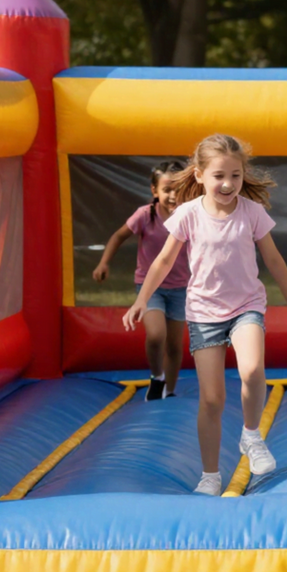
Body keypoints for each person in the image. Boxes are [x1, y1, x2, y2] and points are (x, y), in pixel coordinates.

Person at [123, 134, 287, 496]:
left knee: (252, 369)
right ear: (199, 175)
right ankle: (210, 475)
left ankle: (251, 435)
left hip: (246, 304)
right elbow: (164, 259)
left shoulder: (252, 212)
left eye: (235, 175)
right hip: (203, 310)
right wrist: (142, 300)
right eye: (218, 176)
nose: (228, 184)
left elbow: (273, 259)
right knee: (211, 399)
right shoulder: (188, 214)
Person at [94, 160, 188, 400]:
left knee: (175, 345)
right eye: (167, 189)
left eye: (178, 188)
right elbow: (118, 236)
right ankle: (157, 378)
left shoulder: (189, 216)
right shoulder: (145, 215)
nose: (173, 195)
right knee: (157, 335)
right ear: (155, 191)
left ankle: (170, 390)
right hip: (150, 287)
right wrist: (104, 262)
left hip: (181, 288)